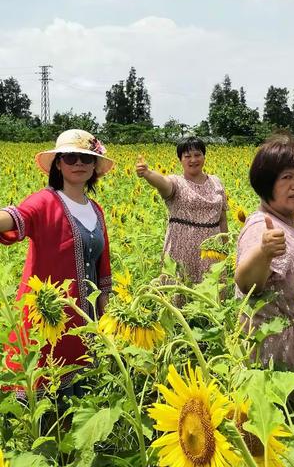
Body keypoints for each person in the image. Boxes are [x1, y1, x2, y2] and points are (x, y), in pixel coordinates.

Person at [0, 129, 114, 393]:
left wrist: (109, 324)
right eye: (71, 157)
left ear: (94, 166)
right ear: (59, 164)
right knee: (46, 395)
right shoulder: (45, 201)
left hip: (88, 320)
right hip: (49, 318)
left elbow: (103, 273)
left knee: (83, 397)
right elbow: (17, 216)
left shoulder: (96, 210)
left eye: (86, 159)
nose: (78, 164)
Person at [235, 133, 294, 406]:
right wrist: (264, 252)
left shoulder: (288, 225)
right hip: (282, 371)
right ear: (267, 182)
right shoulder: (263, 227)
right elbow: (247, 283)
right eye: (286, 177)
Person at [135, 136, 228, 283]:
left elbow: (222, 217)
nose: (193, 160)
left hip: (212, 250)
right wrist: (147, 173)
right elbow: (163, 184)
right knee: (180, 290)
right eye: (187, 156)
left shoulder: (216, 182)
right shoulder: (176, 182)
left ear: (204, 157)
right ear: (180, 159)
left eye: (197, 155)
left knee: (212, 292)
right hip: (181, 249)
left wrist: (225, 246)